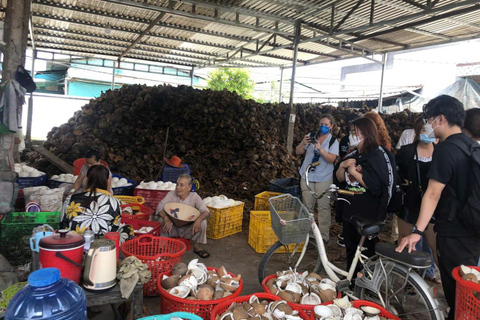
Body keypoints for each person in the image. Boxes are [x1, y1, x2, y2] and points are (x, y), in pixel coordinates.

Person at [396, 95, 480, 320]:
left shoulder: (445, 149)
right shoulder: (470, 145)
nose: (427, 124)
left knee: (456, 292)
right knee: (468, 288)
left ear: (441, 119)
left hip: (453, 233)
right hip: (473, 229)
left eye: (430, 119)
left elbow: (433, 193)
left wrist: (416, 232)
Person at [335, 117, 395, 273]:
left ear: (366, 133)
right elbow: (340, 179)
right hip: (350, 211)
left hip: (368, 214)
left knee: (366, 252)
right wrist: (342, 166)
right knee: (351, 248)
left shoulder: (378, 155)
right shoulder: (353, 154)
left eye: (355, 132)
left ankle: (366, 283)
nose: (351, 135)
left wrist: (354, 172)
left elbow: (375, 185)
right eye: (351, 132)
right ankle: (351, 279)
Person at [395, 116, 440, 284]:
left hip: (433, 206)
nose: (427, 133)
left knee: (435, 246)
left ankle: (433, 273)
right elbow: (395, 170)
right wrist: (402, 182)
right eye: (423, 130)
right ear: (417, 132)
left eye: (430, 131)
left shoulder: (441, 152)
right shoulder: (406, 151)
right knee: (406, 243)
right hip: (410, 203)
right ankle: (409, 280)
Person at [296, 114, 339, 243]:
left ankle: (323, 237)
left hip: (324, 177)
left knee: (323, 207)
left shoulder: (333, 141)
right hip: (307, 175)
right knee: (307, 206)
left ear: (331, 126)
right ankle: (309, 235)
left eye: (326, 125)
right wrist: (303, 142)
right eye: (321, 124)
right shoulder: (311, 136)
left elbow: (332, 159)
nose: (323, 127)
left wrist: (320, 149)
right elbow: (298, 151)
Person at [156, 174, 211, 258]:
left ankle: (197, 247)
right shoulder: (171, 194)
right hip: (172, 227)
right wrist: (166, 218)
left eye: (181, 185)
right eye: (177, 184)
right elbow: (160, 207)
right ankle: (163, 247)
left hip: (188, 229)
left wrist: (198, 220)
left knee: (203, 222)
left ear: (189, 187)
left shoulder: (194, 197)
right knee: (161, 220)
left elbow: (205, 211)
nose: (178, 187)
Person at [61, 165, 121, 236]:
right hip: (102, 243)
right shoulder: (115, 202)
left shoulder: (70, 199)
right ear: (107, 181)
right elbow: (114, 229)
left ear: (86, 179)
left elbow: (63, 225)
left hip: (75, 243)